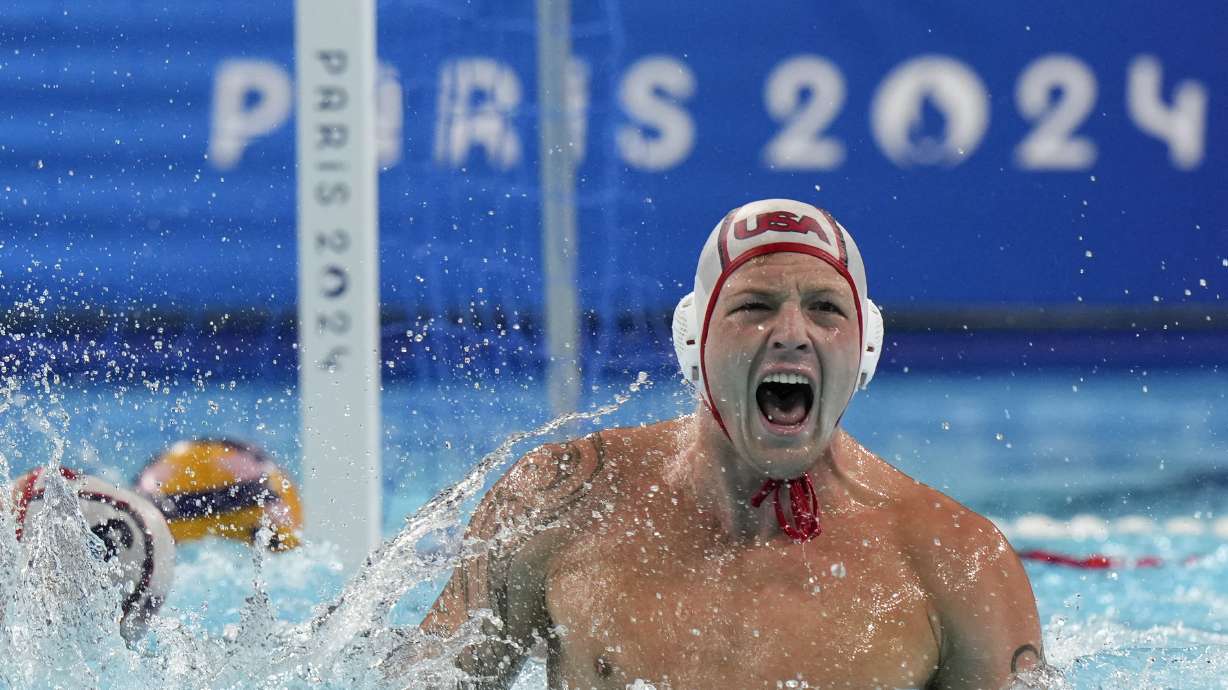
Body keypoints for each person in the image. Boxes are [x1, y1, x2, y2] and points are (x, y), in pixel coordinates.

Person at [413, 199, 1045, 689]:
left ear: (865, 348)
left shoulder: (956, 562)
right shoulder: (566, 500)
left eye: (826, 307)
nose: (792, 333)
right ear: (695, 339)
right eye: (754, 305)